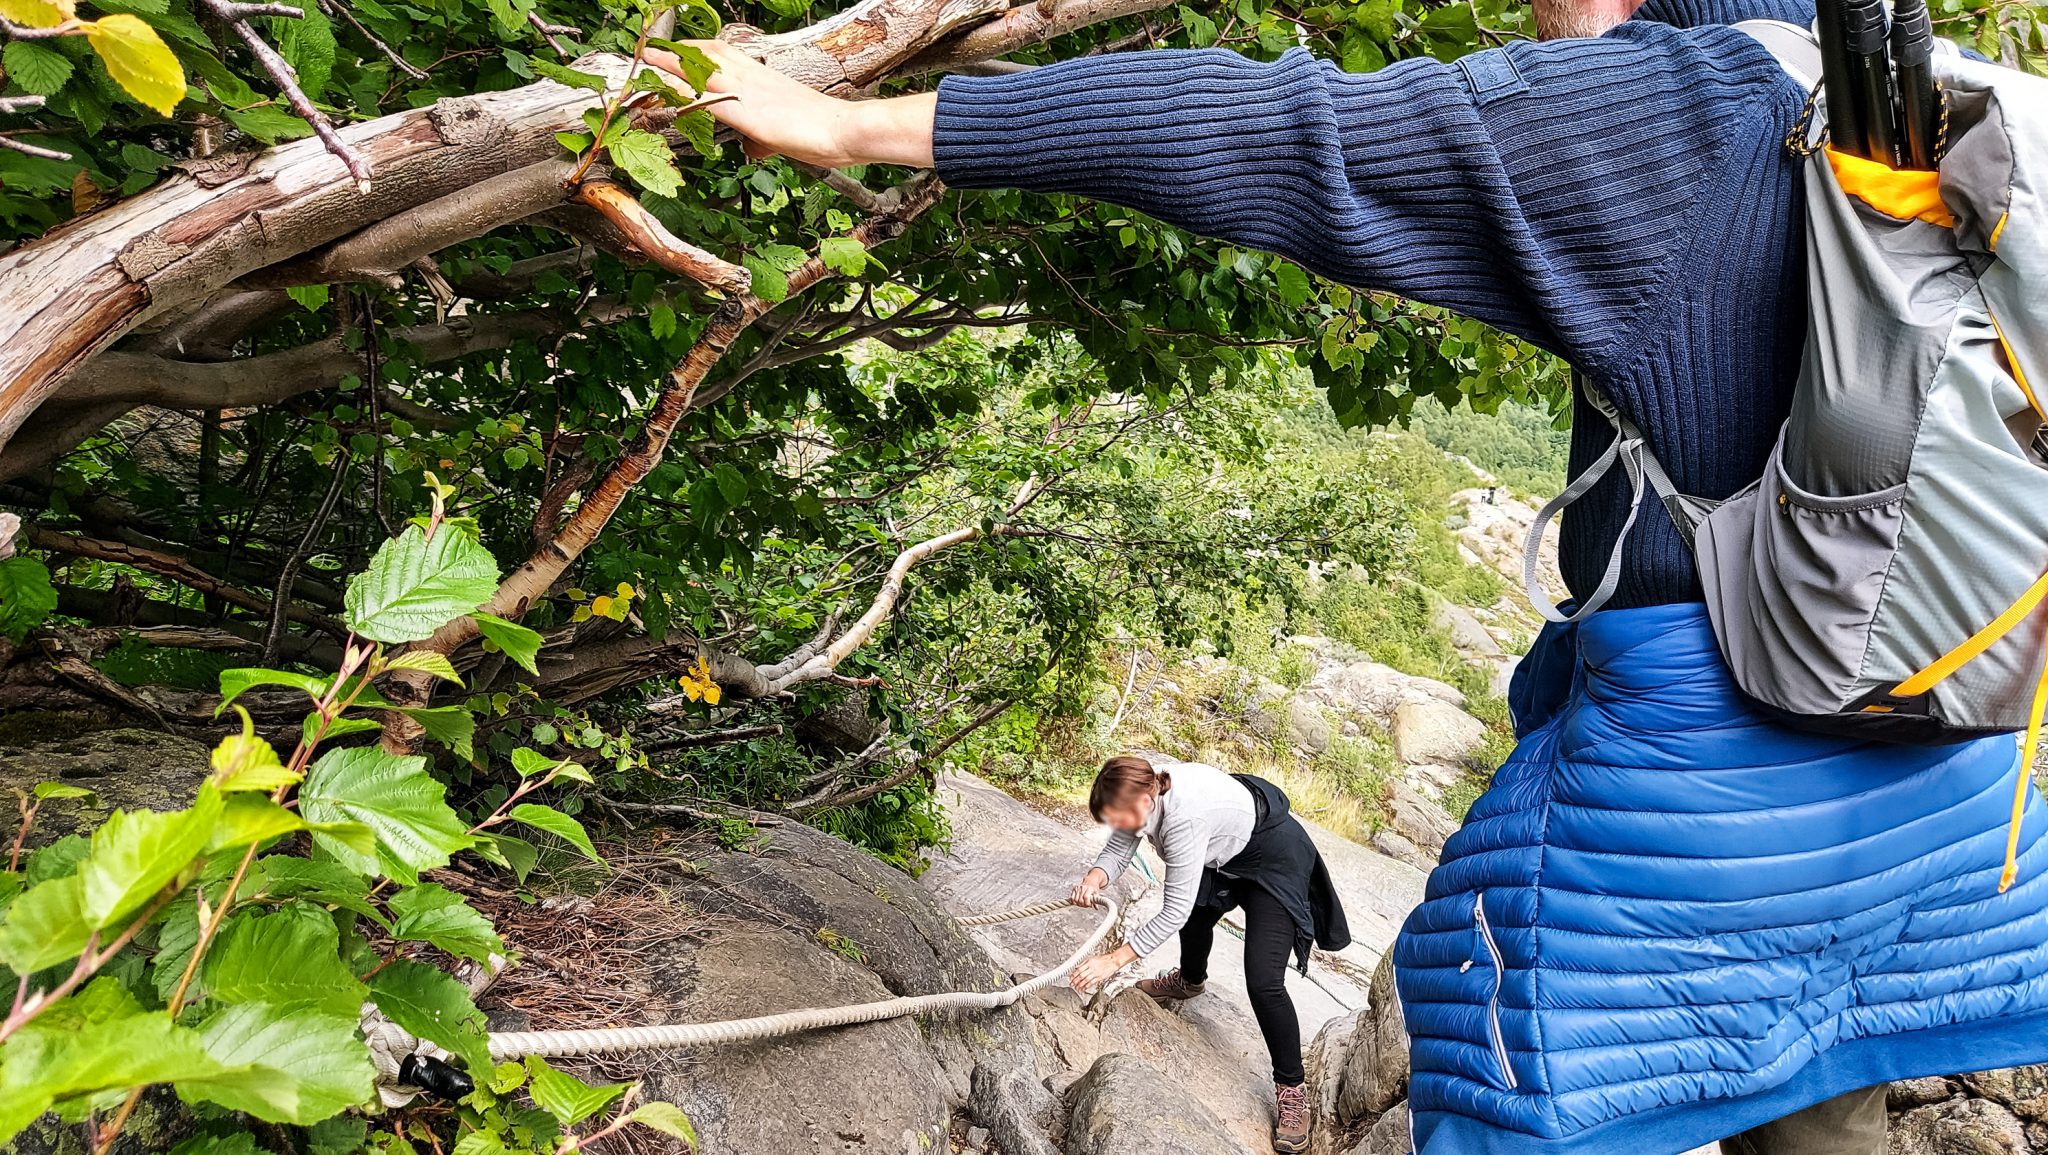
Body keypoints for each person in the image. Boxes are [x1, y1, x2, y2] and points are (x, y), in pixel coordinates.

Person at [649, 3, 2048, 1152]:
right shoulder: (1955, 100)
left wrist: (849, 125)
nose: (1532, 26)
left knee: (1495, 1049)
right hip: (1956, 753)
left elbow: (1284, 134)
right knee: (1820, 1073)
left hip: (1707, 799)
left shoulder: (1664, 105)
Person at [1064, 754, 1351, 1152]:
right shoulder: (1140, 790)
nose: (1120, 826)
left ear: (1147, 800)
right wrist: (1093, 879)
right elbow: (1119, 848)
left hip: (1274, 858)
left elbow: (1173, 911)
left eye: (1121, 818)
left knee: (1264, 981)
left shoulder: (1185, 819)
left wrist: (1113, 961)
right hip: (1224, 854)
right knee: (1198, 914)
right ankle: (1190, 980)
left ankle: (1292, 1089)